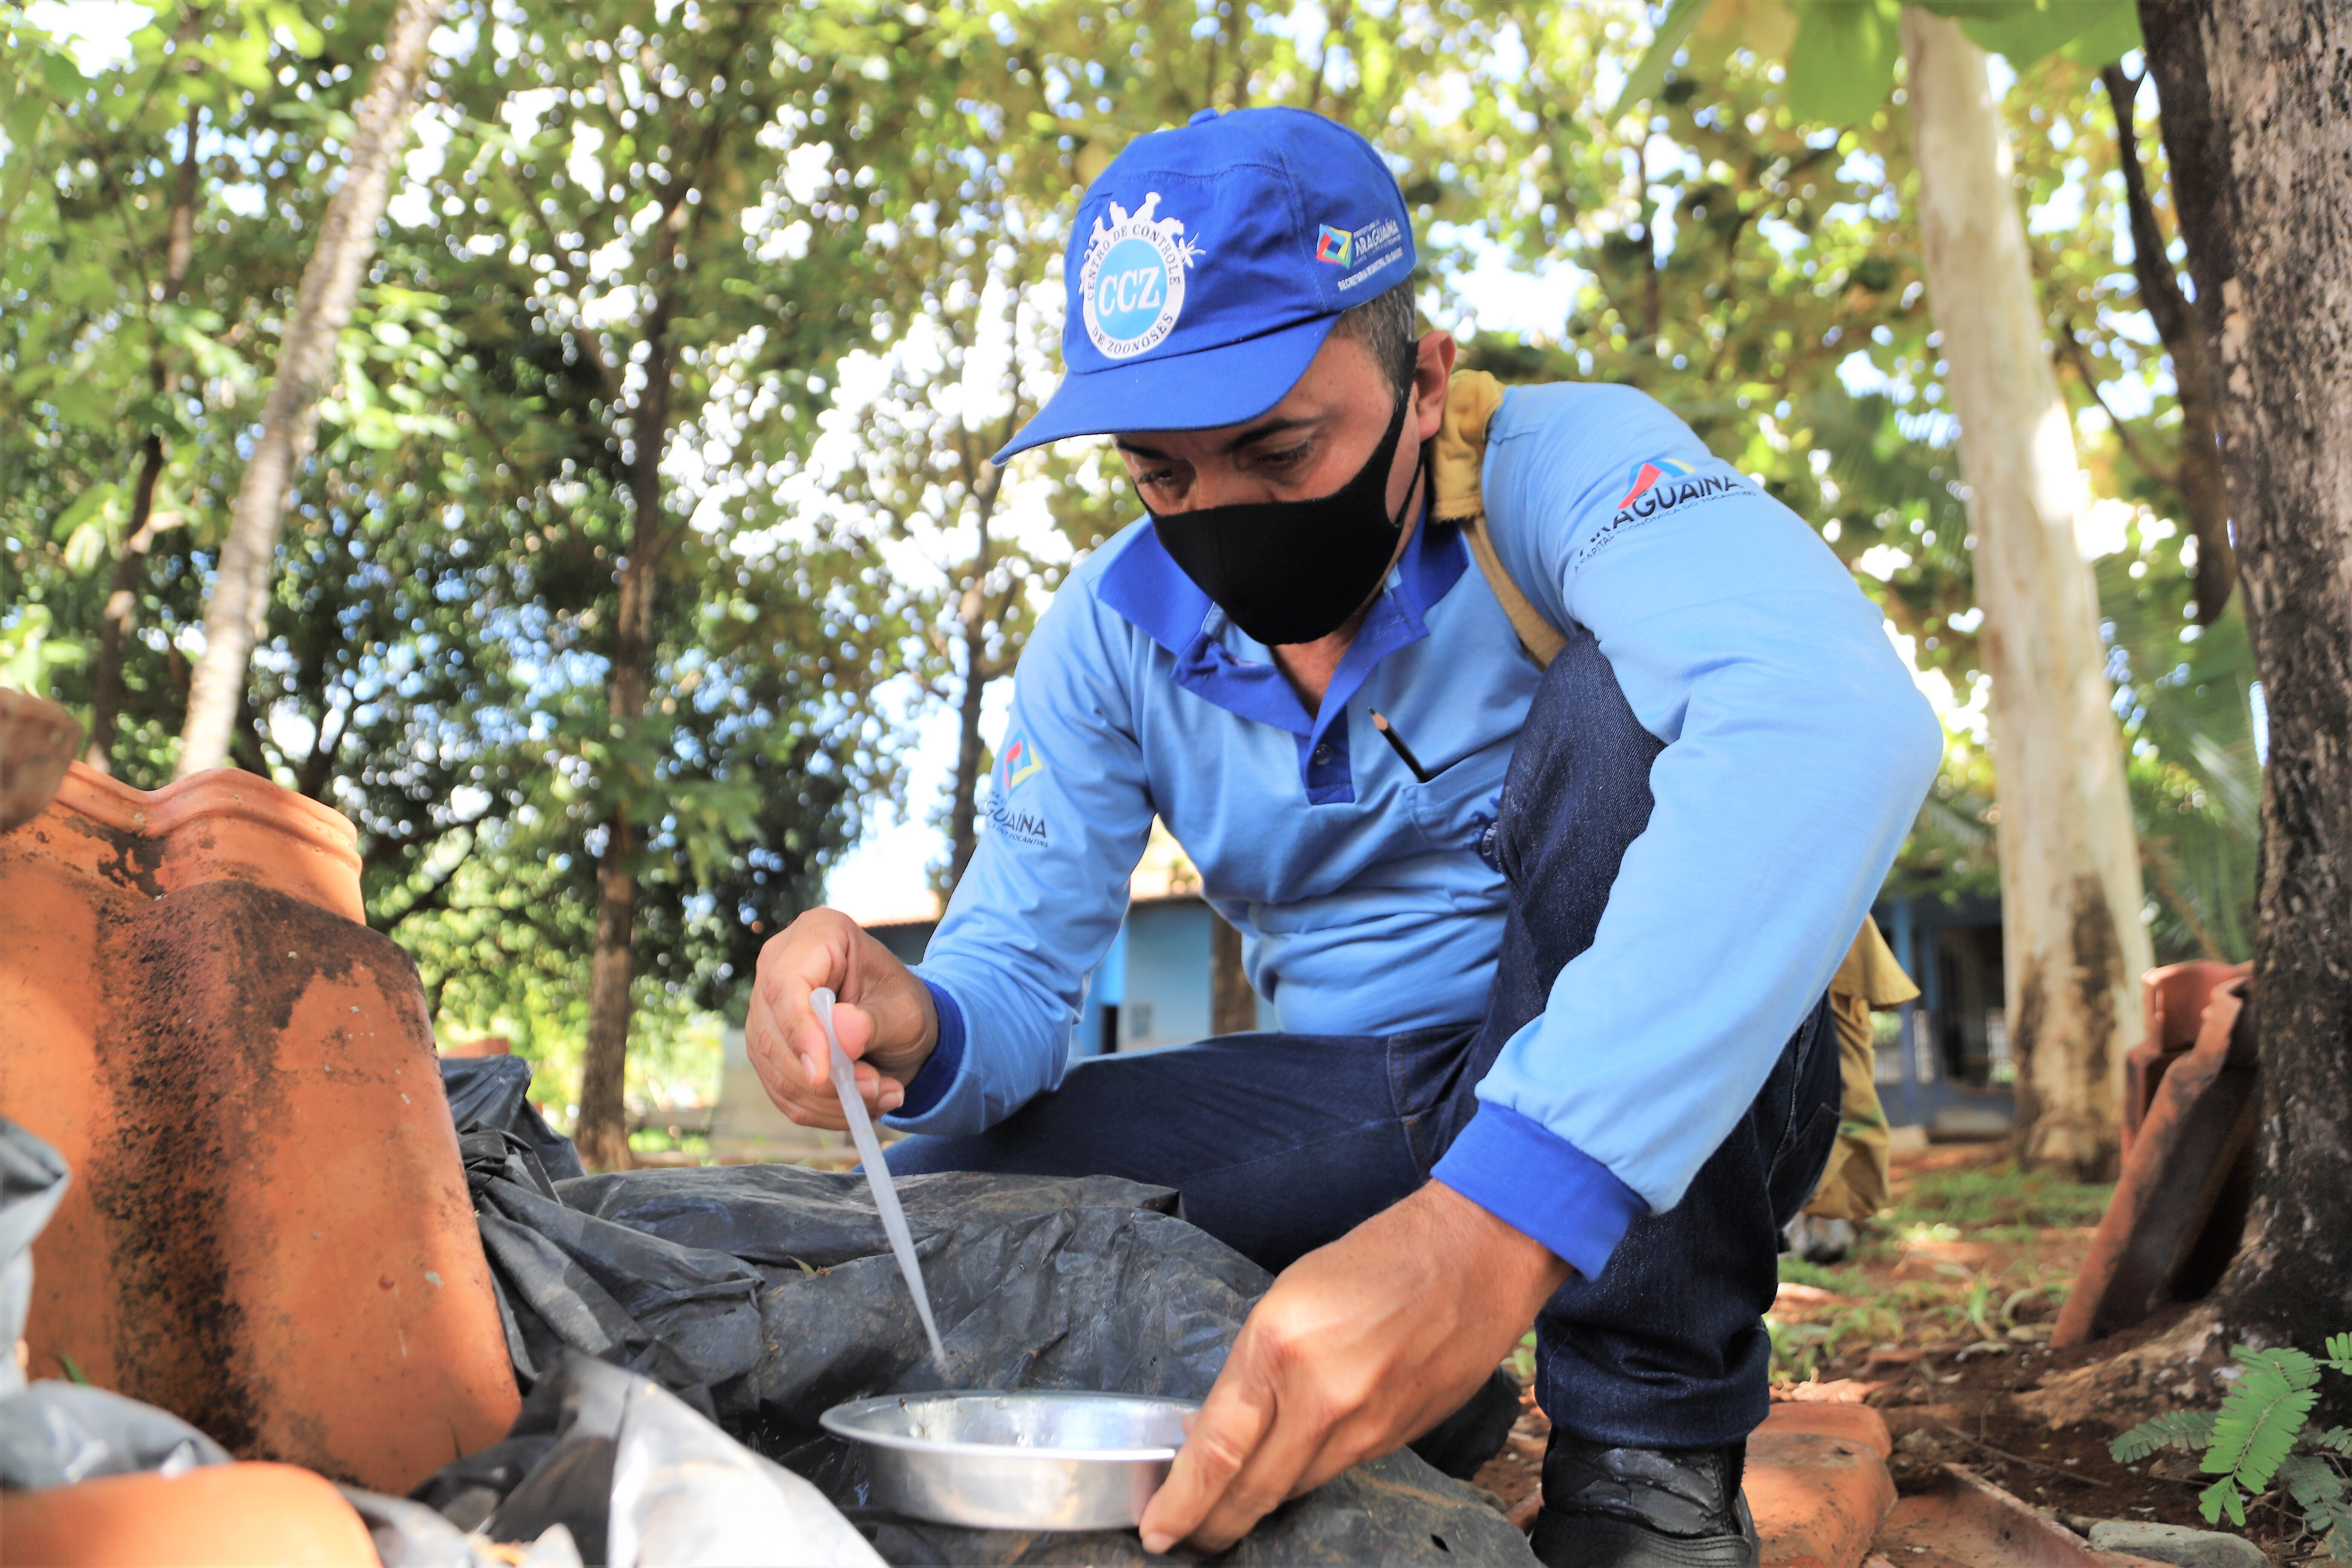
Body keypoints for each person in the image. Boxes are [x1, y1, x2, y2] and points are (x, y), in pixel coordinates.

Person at [747, 107, 1942, 1568]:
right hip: (1362, 1108)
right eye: (1162, 473)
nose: (1220, 517)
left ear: (1423, 382)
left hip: (1660, 1097)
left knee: (1630, 703)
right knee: (934, 1203)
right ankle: (1386, 1394)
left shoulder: (1563, 475)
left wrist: (1490, 1228)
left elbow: (1825, 714)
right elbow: (1013, 975)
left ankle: (1646, 1462)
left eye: (1278, 448)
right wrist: (918, 1020)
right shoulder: (1112, 631)